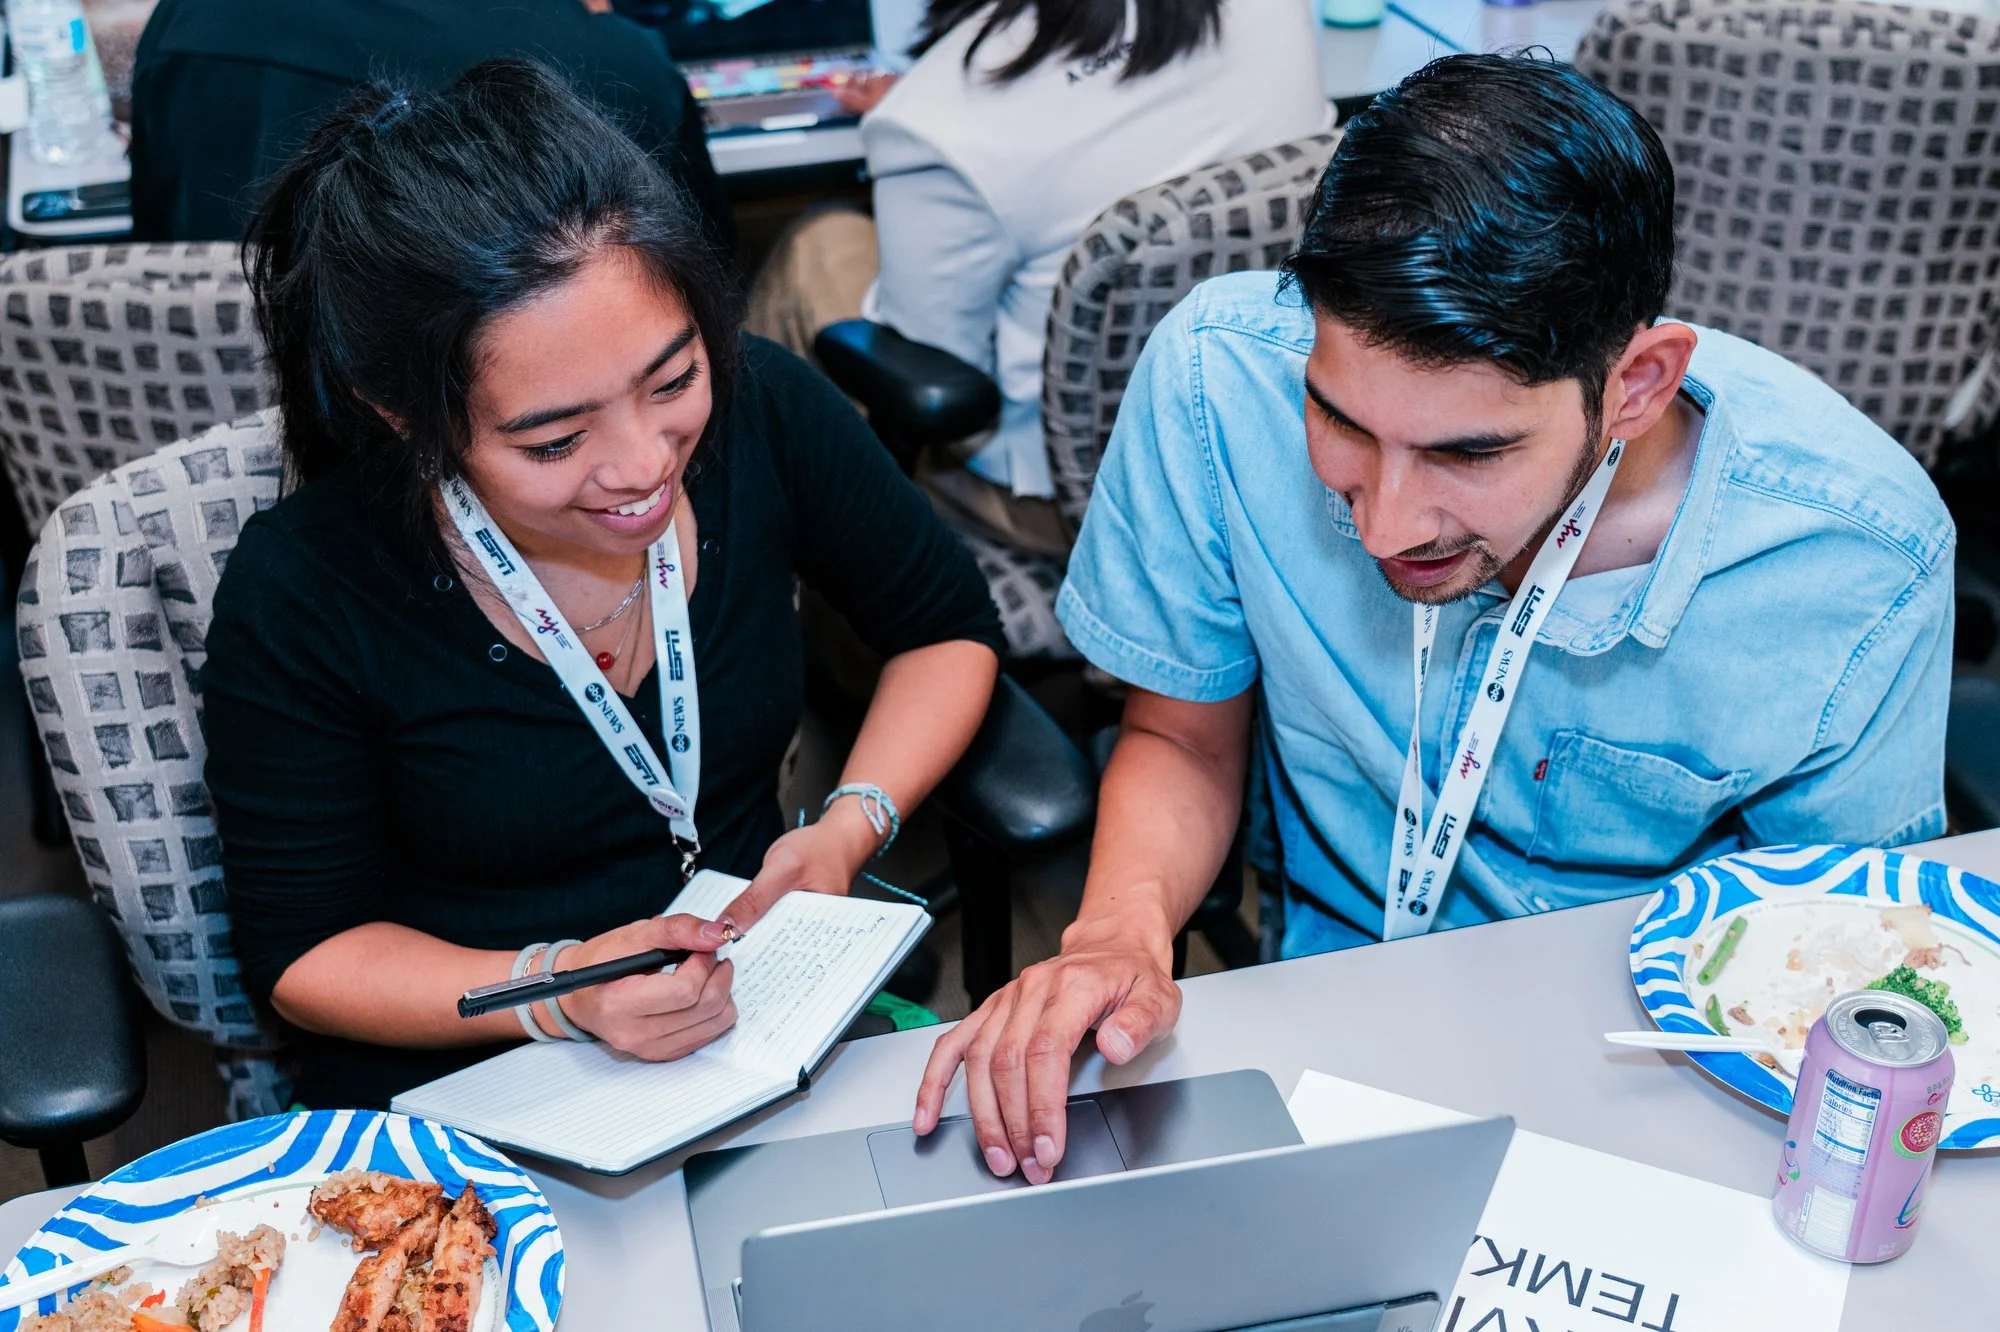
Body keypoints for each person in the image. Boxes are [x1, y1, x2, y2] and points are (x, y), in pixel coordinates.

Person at [913, 53, 1955, 1183]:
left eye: (1469, 451)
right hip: (1321, 1001)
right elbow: (1176, 732)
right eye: (1340, 422)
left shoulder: (1853, 559)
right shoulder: (1218, 381)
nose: (1384, 527)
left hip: (1661, 1072)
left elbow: (1838, 957)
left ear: (1638, 385)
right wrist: (1118, 931)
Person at [200, 60, 1002, 1111]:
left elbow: (944, 629)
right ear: (400, 412)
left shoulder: (762, 415)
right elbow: (307, 958)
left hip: (760, 1014)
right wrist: (562, 993)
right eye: (554, 437)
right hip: (483, 1069)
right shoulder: (308, 589)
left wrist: (849, 826)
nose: (640, 467)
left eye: (671, 380)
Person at [746, 0, 1333, 554]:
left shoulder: (938, 120)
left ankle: (753, 560)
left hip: (1071, 503)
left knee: (818, 245)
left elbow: (931, 361)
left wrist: (924, 150)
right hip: (1277, 459)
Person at [127, 0, 734, 251]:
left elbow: (158, 248)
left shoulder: (189, 21)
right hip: (517, 483)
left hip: (215, 446)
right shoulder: (615, 63)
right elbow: (701, 289)